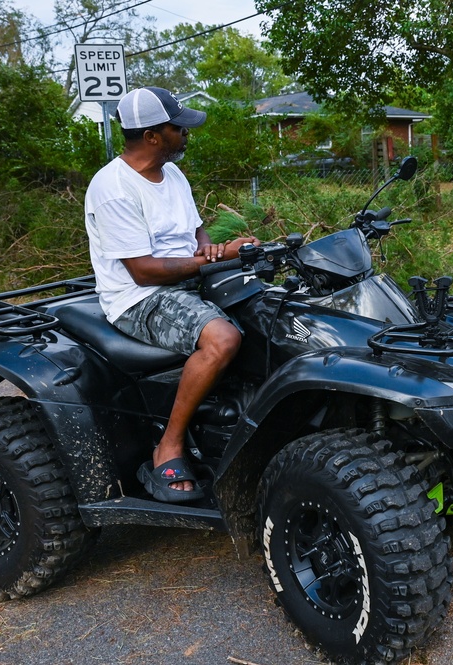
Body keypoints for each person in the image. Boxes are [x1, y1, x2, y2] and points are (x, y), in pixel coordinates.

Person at [85, 87, 258, 503]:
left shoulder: (173, 173)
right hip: (138, 298)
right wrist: (210, 261)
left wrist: (212, 249)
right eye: (178, 128)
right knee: (223, 338)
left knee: (274, 312)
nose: (186, 135)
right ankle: (170, 444)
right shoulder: (113, 187)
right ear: (152, 136)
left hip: (185, 281)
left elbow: (195, 231)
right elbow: (143, 272)